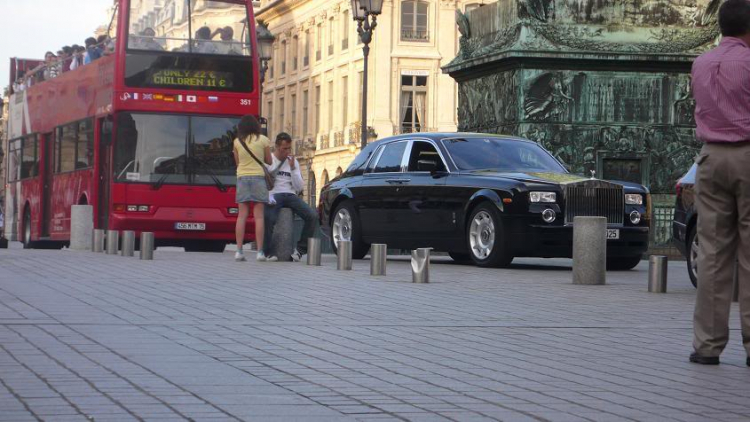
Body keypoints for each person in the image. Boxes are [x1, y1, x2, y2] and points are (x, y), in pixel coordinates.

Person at [689, 0, 750, 367]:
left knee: (712, 252)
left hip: (709, 159)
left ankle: (707, 346)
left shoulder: (700, 63)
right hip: (748, 155)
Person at [262, 132, 319, 262]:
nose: (287, 152)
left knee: (312, 215)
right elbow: (263, 184)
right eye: (284, 149)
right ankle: (267, 252)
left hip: (291, 195)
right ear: (277, 147)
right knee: (268, 218)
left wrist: (293, 168)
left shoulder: (294, 162)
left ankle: (300, 250)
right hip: (274, 194)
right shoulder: (269, 161)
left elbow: (299, 187)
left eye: (289, 148)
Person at [233, 115, 273, 262]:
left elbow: (237, 163)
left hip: (242, 178)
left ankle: (239, 251)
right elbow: (269, 161)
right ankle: (260, 252)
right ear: (256, 126)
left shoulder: (237, 142)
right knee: (259, 217)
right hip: (258, 178)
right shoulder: (263, 140)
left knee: (241, 216)